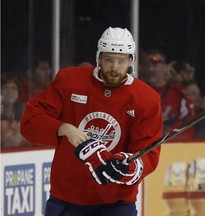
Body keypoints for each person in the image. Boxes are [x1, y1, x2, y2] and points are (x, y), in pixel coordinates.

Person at [20, 27, 163, 216]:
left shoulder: (146, 98)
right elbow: (30, 122)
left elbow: (148, 153)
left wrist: (128, 166)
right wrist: (63, 128)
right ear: (99, 58)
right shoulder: (70, 81)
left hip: (116, 203)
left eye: (121, 61)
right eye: (109, 60)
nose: (114, 68)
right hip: (67, 199)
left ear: (131, 61)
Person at [140, 49, 196, 141]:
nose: (150, 69)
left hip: (174, 146)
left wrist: (168, 132)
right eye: (146, 65)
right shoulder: (138, 93)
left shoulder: (179, 93)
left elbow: (190, 125)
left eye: (155, 64)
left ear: (165, 67)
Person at [1, 73, 29, 148]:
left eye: (13, 88)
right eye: (6, 88)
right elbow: (8, 140)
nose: (9, 92)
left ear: (18, 91)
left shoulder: (20, 107)